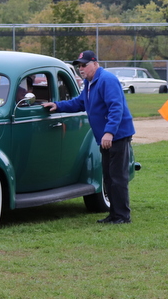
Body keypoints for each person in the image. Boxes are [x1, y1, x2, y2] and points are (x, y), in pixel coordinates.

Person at [43, 51, 135, 224]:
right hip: (106, 137)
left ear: (95, 63)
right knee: (108, 177)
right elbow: (79, 103)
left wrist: (110, 132)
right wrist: (57, 105)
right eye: (79, 66)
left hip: (117, 136)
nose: (81, 69)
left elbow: (116, 108)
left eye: (84, 65)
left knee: (117, 178)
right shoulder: (90, 82)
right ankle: (114, 214)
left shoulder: (107, 79)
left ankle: (122, 216)